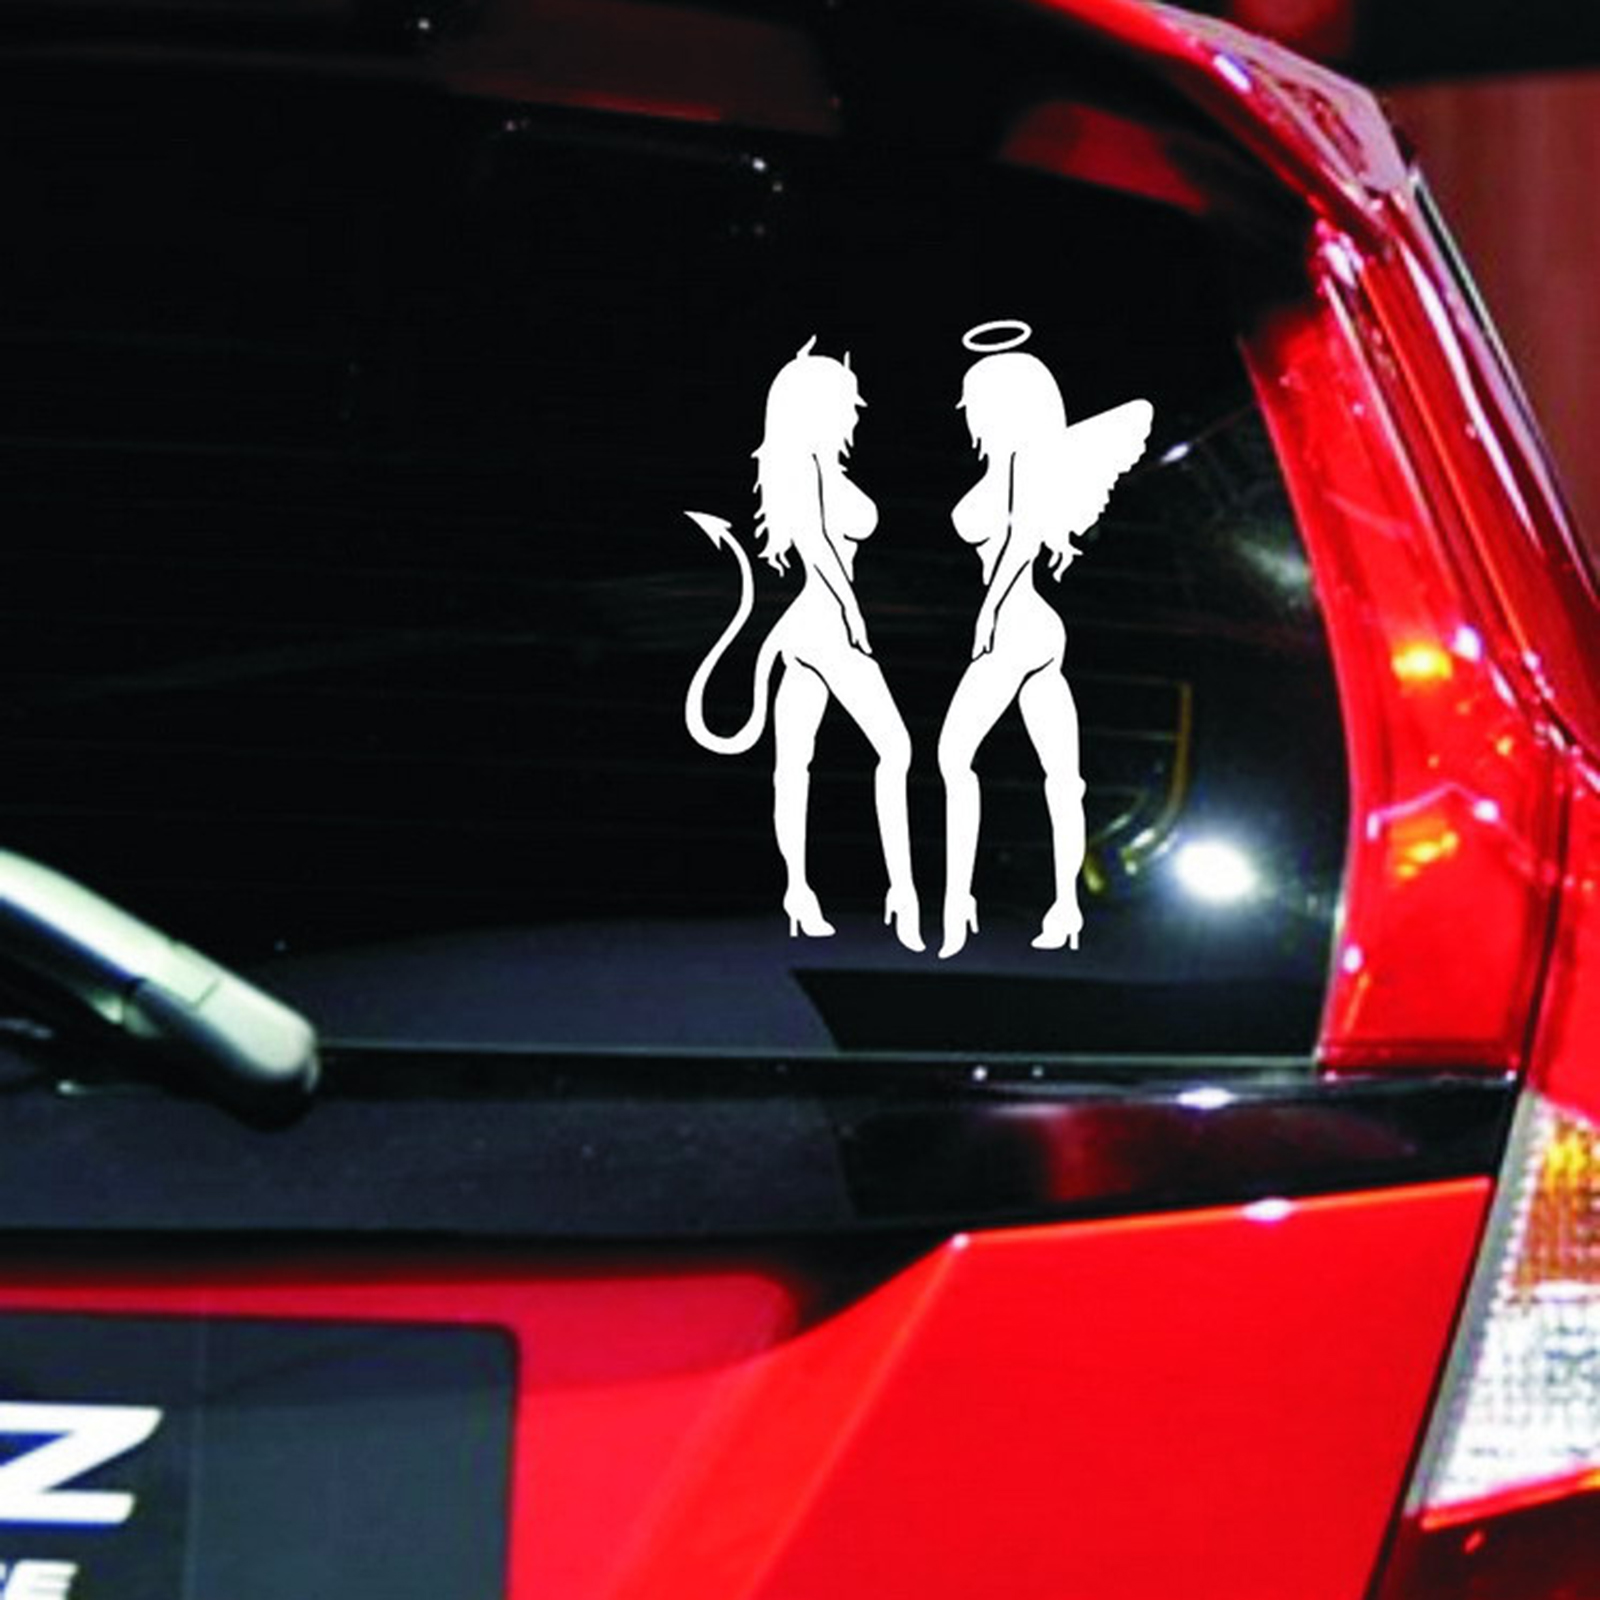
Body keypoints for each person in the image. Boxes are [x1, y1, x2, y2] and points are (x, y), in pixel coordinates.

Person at [684, 338, 922, 950]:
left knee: (796, 764)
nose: (854, 412)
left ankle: (803, 892)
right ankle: (898, 893)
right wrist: (854, 619)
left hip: (810, 622)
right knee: (890, 750)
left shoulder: (815, 467)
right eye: (844, 401)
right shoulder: (806, 469)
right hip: (827, 623)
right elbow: (819, 552)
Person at [937, 321, 1152, 959]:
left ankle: (964, 902)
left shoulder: (1022, 472)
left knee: (959, 758)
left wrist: (988, 616)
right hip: (1032, 625)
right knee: (1058, 771)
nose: (971, 414)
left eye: (979, 402)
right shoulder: (1025, 469)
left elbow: (1013, 550)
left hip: (1014, 624)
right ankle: (1058, 906)